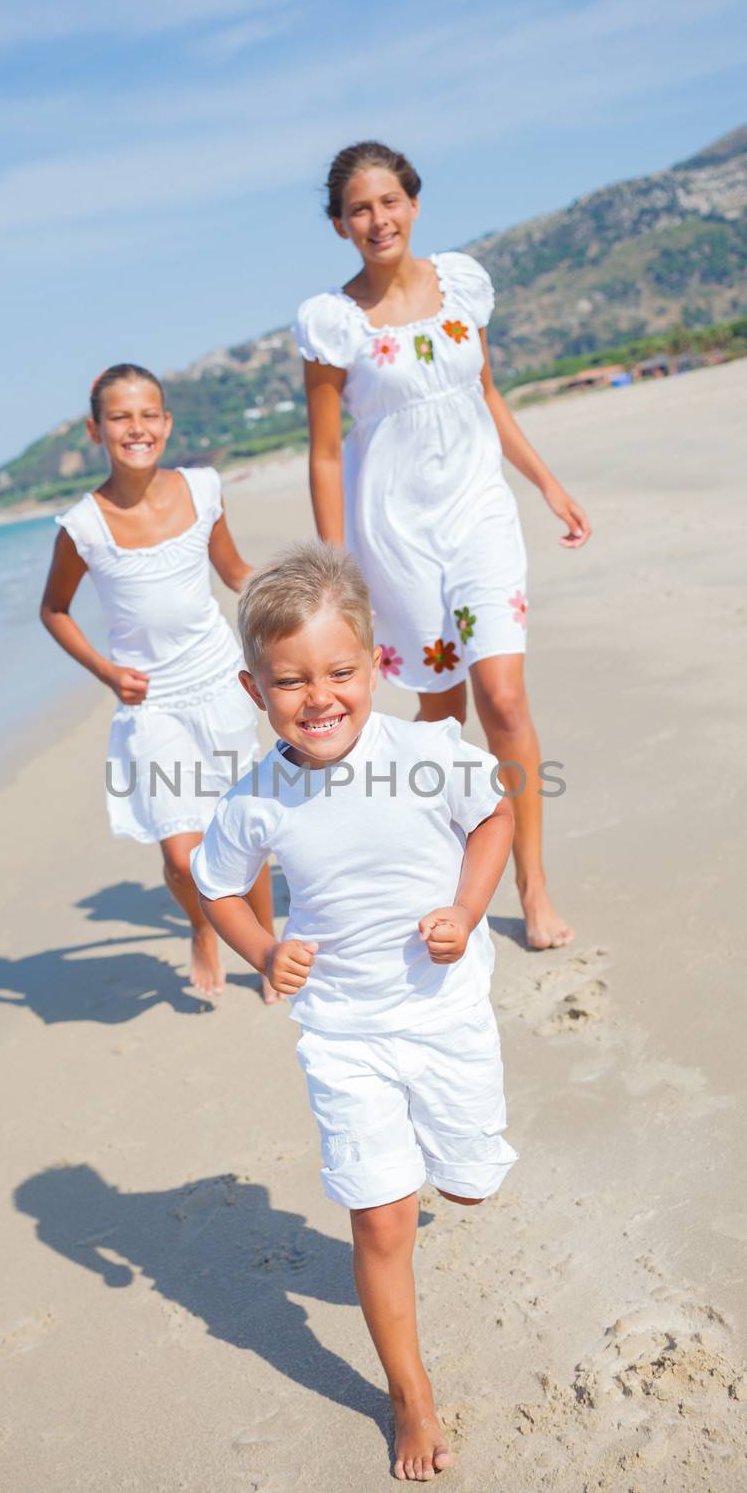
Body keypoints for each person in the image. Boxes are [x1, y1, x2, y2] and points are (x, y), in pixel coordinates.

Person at [191, 542, 518, 1481]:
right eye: (289, 682)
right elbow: (215, 886)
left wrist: (463, 908)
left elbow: (494, 815)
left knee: (463, 1188)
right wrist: (262, 949)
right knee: (379, 1220)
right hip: (343, 1033)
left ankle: (435, 1168)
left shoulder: (423, 753)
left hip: (444, 1013)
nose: (317, 697)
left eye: (338, 672)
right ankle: (409, 1397)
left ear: (373, 667)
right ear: (257, 694)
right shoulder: (256, 798)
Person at [294, 140, 592, 951]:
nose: (376, 219)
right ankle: (452, 874)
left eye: (388, 201)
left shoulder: (460, 284)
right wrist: (332, 569)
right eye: (359, 208)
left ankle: (530, 883)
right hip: (392, 536)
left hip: (478, 516)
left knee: (502, 699)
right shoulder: (333, 325)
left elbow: (486, 394)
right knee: (438, 719)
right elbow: (325, 453)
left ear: (413, 204)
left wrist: (545, 482)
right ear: (339, 225)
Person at [39, 363, 276, 1001]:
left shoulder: (203, 489)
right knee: (180, 856)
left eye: (148, 414)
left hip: (220, 680)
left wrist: (300, 600)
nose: (136, 428)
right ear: (96, 430)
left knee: (243, 825)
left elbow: (234, 572)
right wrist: (108, 671)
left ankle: (265, 943)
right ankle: (202, 926)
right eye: (120, 417)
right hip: (153, 703)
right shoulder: (82, 526)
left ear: (167, 423)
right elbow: (53, 611)